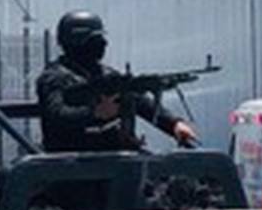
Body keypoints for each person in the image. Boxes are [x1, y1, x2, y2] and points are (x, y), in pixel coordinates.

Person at [36, 10, 199, 153]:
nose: (103, 45)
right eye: (95, 40)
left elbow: (140, 102)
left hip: (113, 163)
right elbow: (57, 114)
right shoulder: (55, 77)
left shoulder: (106, 74)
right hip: (69, 170)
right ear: (77, 41)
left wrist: (174, 124)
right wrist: (93, 113)